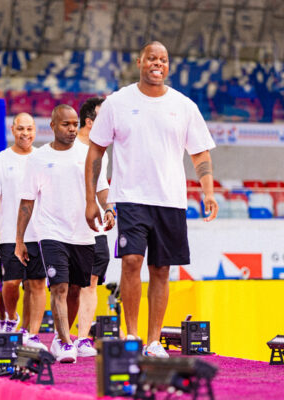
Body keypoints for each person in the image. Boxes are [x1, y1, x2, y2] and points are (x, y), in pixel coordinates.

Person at [84, 41, 218, 358]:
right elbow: (95, 151)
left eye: (163, 59)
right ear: (139, 62)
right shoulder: (117, 102)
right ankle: (132, 336)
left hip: (170, 200)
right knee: (131, 261)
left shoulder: (184, 106)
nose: (158, 63)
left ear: (168, 65)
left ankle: (153, 341)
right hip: (130, 198)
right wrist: (91, 200)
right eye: (152, 58)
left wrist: (208, 191)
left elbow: (200, 153)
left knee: (160, 269)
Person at [15, 105, 113, 363]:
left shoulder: (90, 154)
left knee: (75, 289)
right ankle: (66, 342)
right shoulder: (37, 158)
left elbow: (102, 188)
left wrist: (109, 208)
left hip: (84, 233)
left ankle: (62, 336)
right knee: (59, 286)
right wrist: (19, 240)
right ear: (52, 126)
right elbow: (27, 201)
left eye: (74, 124)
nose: (71, 129)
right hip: (51, 232)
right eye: (65, 124)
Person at [0, 113, 47, 350]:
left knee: (37, 284)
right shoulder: (0, 160)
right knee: (11, 283)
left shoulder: (43, 158)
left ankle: (31, 334)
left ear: (35, 130)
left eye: (29, 129)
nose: (25, 134)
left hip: (38, 233)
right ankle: (12, 317)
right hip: (9, 234)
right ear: (12, 130)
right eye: (21, 129)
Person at [66, 96, 113, 357]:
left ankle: (82, 338)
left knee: (92, 282)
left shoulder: (101, 152)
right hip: (66, 227)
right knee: (71, 287)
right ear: (89, 121)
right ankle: (63, 337)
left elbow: (102, 186)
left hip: (94, 227)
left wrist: (109, 208)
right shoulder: (66, 148)